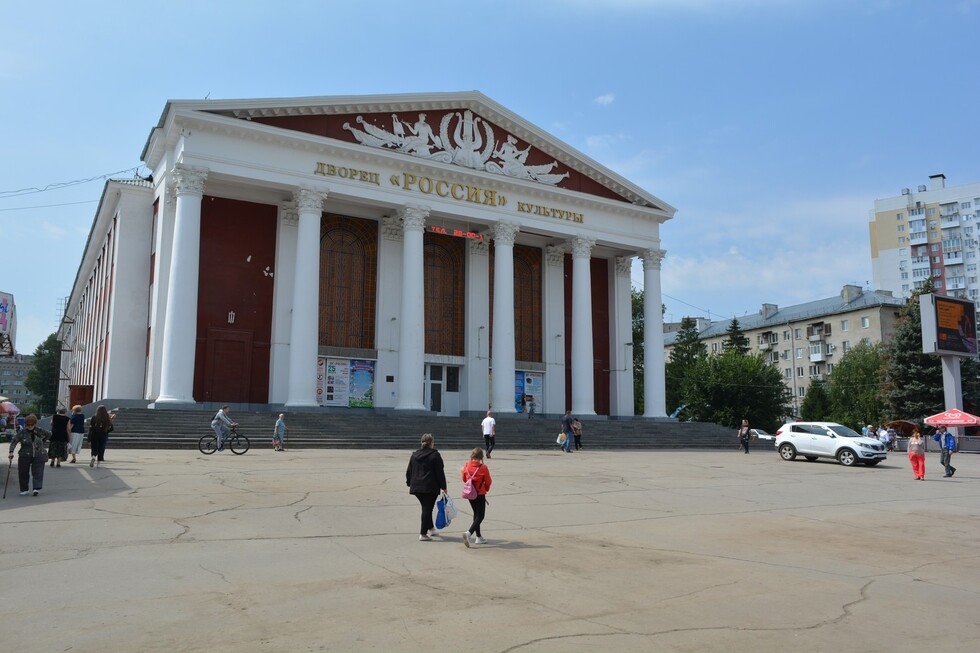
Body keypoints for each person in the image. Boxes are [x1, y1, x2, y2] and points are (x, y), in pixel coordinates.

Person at [406, 433, 447, 541]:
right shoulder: (435, 455)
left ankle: (431, 528)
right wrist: (444, 486)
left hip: (416, 486)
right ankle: (423, 533)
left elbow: (409, 470)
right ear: (431, 443)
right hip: (430, 487)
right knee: (427, 509)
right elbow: (440, 472)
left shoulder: (414, 455)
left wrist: (409, 482)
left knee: (426, 507)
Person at [8, 414, 50, 496]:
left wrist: (43, 440)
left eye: (32, 424)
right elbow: (14, 441)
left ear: (35, 423)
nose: (30, 426)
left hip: (38, 454)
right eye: (28, 424)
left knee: (38, 472)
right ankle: (24, 489)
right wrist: (11, 451)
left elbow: (49, 434)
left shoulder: (39, 430)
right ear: (26, 424)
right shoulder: (22, 432)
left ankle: (36, 488)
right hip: (24, 454)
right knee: (23, 472)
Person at [461, 447, 492, 547]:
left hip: (470, 493)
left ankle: (478, 537)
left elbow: (464, 479)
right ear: (481, 457)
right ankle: (469, 533)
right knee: (481, 515)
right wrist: (485, 489)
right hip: (480, 493)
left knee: (476, 514)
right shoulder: (483, 468)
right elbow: (488, 481)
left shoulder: (466, 466)